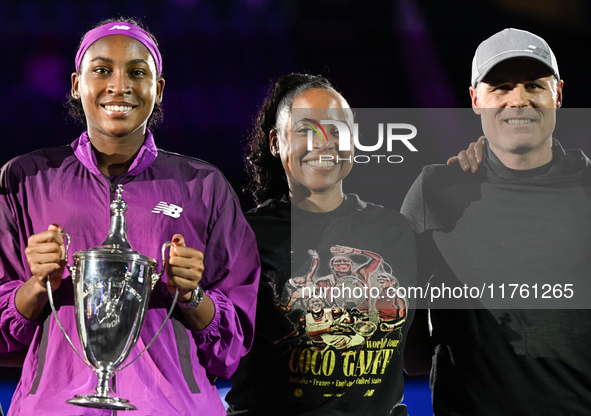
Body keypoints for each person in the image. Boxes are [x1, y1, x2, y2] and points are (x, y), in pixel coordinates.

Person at [0, 18, 260, 415]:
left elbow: (233, 347)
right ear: (76, 84)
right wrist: (38, 286)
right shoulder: (24, 180)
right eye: (102, 70)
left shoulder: (203, 186)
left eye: (137, 73)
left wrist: (191, 296)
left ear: (157, 90)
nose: (119, 86)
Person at [402, 28, 591, 415]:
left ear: (558, 93)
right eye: (500, 88)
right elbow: (409, 351)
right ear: (475, 99)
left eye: (534, 85)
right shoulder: (434, 192)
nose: (518, 100)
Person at [225, 74, 417, 415]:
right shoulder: (245, 234)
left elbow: (417, 347)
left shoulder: (395, 229)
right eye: (305, 130)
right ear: (276, 141)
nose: (323, 142)